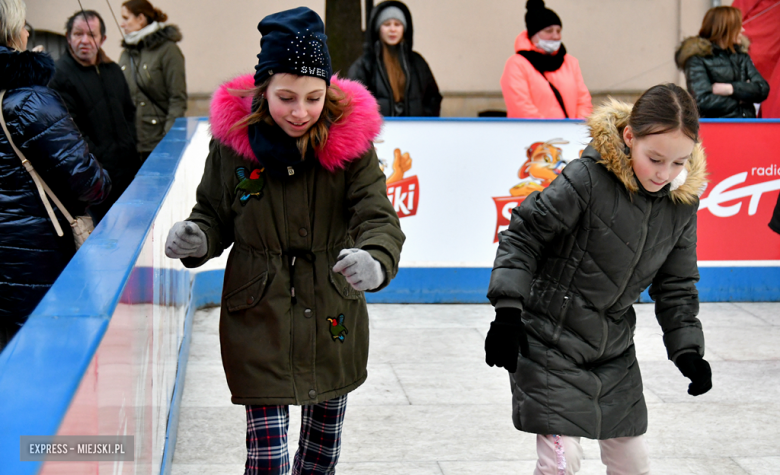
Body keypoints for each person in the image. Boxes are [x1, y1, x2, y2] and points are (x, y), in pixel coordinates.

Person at [163, 7, 404, 474]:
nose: (301, 112)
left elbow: (378, 216)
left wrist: (376, 258)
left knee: (320, 455)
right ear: (263, 90)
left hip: (332, 313)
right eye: (286, 97)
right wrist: (198, 238)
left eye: (314, 98)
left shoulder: (350, 145)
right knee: (269, 459)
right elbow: (214, 214)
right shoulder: (233, 142)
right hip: (260, 315)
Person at [485, 83, 711, 474]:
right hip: (548, 339)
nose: (665, 173)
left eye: (679, 163)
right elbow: (524, 236)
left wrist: (687, 348)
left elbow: (676, 284)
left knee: (633, 464)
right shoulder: (587, 179)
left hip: (613, 351)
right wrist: (507, 312)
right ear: (629, 137)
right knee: (561, 463)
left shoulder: (680, 205)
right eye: (655, 158)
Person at [0, 0, 111, 351]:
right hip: (32, 265)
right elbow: (89, 183)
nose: (28, 31)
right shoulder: (29, 101)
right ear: (11, 32)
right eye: (23, 24)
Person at [49, 10, 138, 223]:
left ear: (102, 39)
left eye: (92, 35)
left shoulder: (113, 70)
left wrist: (131, 151)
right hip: (94, 180)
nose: (85, 40)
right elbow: (72, 131)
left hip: (127, 173)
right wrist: (100, 165)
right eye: (78, 34)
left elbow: (129, 113)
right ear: (68, 37)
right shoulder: (59, 75)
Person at [118, 0, 186, 161]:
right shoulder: (126, 53)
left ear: (141, 18)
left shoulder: (168, 50)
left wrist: (168, 141)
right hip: (130, 145)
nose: (122, 24)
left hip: (157, 144)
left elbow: (177, 100)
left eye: (126, 18)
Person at [347, 1, 441, 117]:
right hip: (380, 132)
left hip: (415, 131)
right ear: (378, 28)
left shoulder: (417, 63)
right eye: (387, 24)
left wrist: (423, 120)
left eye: (397, 24)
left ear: (404, 29)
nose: (392, 29)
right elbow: (354, 102)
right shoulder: (365, 65)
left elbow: (433, 97)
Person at [500, 0, 592, 119]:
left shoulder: (570, 62)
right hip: (532, 135)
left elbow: (583, 101)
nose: (555, 36)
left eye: (558, 31)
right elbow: (520, 106)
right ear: (533, 34)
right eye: (548, 31)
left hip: (569, 135)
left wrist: (578, 128)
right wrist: (546, 130)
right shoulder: (517, 64)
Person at [675, 6, 770, 118]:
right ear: (725, 29)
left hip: (747, 126)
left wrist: (730, 89)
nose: (743, 30)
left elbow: (763, 88)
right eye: (738, 26)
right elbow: (701, 101)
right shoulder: (697, 59)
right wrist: (741, 100)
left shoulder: (741, 56)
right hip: (717, 129)